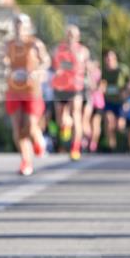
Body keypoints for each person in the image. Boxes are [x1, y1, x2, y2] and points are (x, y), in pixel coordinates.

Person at [3, 13, 50, 176]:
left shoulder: (35, 43)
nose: (18, 27)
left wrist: (37, 72)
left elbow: (46, 61)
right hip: (14, 90)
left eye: (22, 24)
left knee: (30, 125)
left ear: (27, 27)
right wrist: (5, 67)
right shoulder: (8, 44)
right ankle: (26, 162)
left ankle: (39, 143)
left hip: (32, 90)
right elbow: (3, 61)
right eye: (16, 23)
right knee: (17, 129)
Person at [51, 24, 90, 160]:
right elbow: (55, 65)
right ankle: (66, 126)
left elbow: (81, 66)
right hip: (61, 87)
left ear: (78, 37)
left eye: (73, 35)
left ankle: (75, 148)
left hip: (76, 87)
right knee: (62, 118)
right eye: (68, 34)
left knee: (76, 115)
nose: (70, 37)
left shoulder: (82, 50)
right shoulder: (59, 49)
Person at [100, 49, 130, 152]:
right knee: (109, 122)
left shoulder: (122, 69)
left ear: (115, 58)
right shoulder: (103, 71)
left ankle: (127, 142)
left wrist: (127, 95)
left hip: (120, 102)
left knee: (120, 126)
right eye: (107, 59)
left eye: (111, 58)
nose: (109, 60)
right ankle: (111, 146)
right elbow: (101, 84)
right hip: (109, 101)